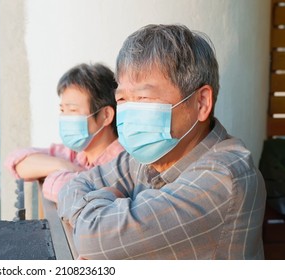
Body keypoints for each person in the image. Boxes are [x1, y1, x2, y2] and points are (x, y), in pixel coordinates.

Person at [57, 24, 266, 259]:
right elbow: (71, 188)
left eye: (144, 97)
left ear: (201, 102)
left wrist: (106, 200)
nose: (130, 110)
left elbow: (91, 240)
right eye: (123, 98)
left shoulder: (225, 178)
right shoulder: (149, 157)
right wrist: (104, 211)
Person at [5, 63, 124, 203]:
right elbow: (16, 161)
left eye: (73, 110)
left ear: (106, 115)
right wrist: (64, 166)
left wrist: (56, 175)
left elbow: (58, 189)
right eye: (62, 110)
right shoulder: (76, 155)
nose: (65, 117)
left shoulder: (122, 164)